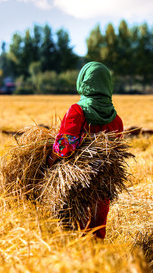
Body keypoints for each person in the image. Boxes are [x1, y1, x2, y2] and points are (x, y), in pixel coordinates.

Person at [47, 61, 123, 239]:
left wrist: (49, 162)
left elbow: (65, 146)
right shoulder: (116, 119)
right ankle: (96, 263)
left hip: (76, 186)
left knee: (74, 234)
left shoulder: (77, 111)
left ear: (83, 82)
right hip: (103, 186)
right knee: (97, 233)